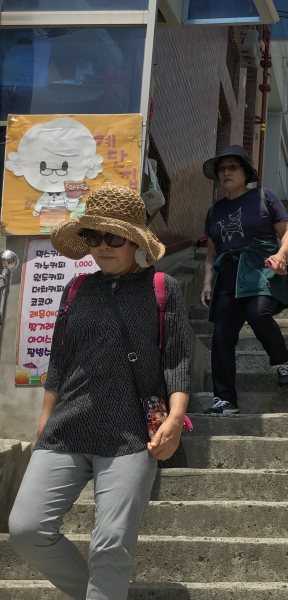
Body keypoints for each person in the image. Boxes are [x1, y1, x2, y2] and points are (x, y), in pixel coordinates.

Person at [9, 184, 191, 600]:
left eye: (114, 237)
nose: (103, 246)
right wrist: (44, 422)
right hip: (66, 428)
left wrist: (176, 418)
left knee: (111, 545)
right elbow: (59, 361)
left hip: (131, 434)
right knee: (27, 530)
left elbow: (177, 359)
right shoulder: (76, 289)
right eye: (93, 236)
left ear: (135, 240)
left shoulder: (162, 287)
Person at [200, 145, 288, 416]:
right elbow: (211, 254)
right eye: (222, 169)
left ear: (246, 172)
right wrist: (207, 282)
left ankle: (282, 362)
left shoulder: (264, 196)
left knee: (258, 312)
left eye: (233, 167)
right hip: (228, 277)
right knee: (221, 336)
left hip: (260, 269)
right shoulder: (215, 210)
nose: (226, 172)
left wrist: (281, 255)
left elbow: (287, 231)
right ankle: (225, 400)